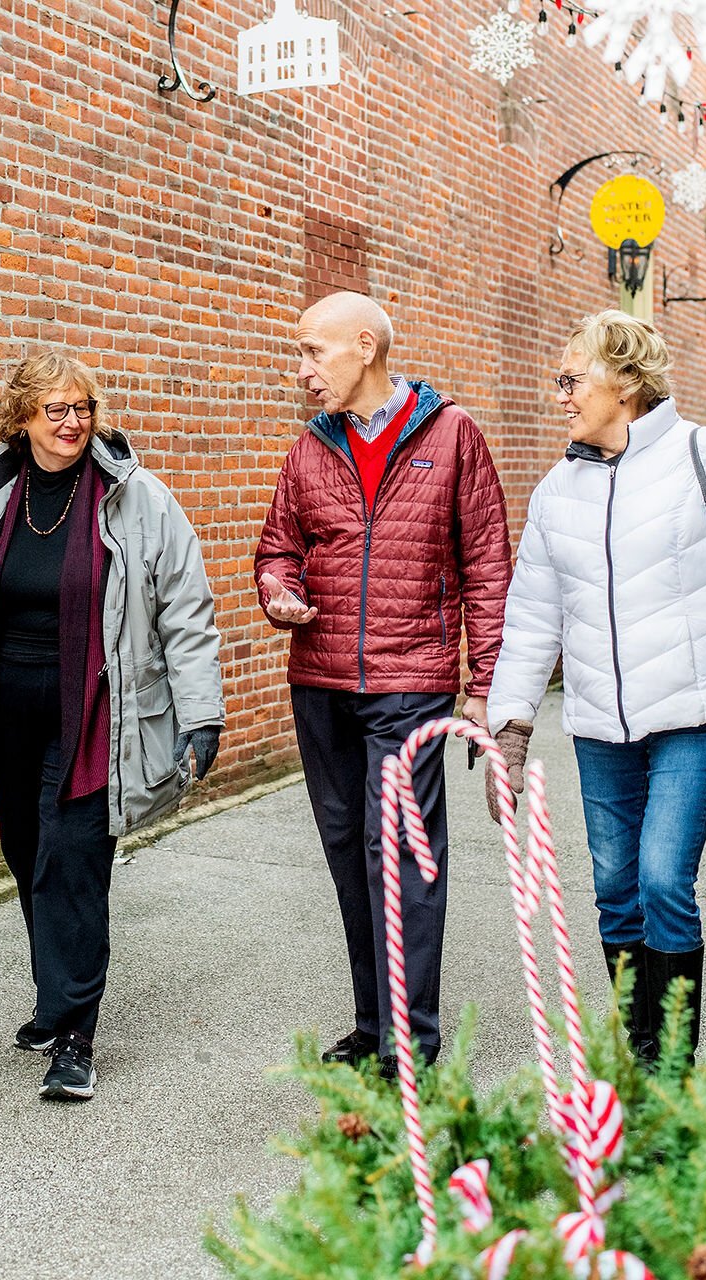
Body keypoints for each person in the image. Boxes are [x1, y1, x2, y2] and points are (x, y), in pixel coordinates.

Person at [0, 348, 224, 1102]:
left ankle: (75, 1035)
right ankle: (55, 999)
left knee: (73, 859)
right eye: (57, 410)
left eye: (84, 408)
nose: (74, 423)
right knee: (28, 850)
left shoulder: (135, 497)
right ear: (23, 418)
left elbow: (186, 609)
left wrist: (201, 713)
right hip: (7, 705)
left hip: (93, 710)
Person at [254, 290, 511, 1077]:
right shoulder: (311, 448)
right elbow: (277, 547)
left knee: (396, 851)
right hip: (322, 682)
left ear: (364, 346)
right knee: (346, 852)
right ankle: (373, 1025)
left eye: (313, 352)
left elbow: (489, 565)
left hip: (411, 682)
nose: (302, 371)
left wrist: (486, 684)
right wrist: (278, 590)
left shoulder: (451, 434)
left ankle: (413, 1039)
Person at [487, 309, 706, 1066]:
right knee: (616, 891)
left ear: (625, 382)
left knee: (661, 880)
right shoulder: (558, 491)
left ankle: (672, 1061)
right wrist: (513, 725)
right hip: (598, 727)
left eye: (571, 378)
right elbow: (532, 615)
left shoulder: (705, 459)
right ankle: (641, 1046)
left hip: (694, 716)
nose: (560, 394)